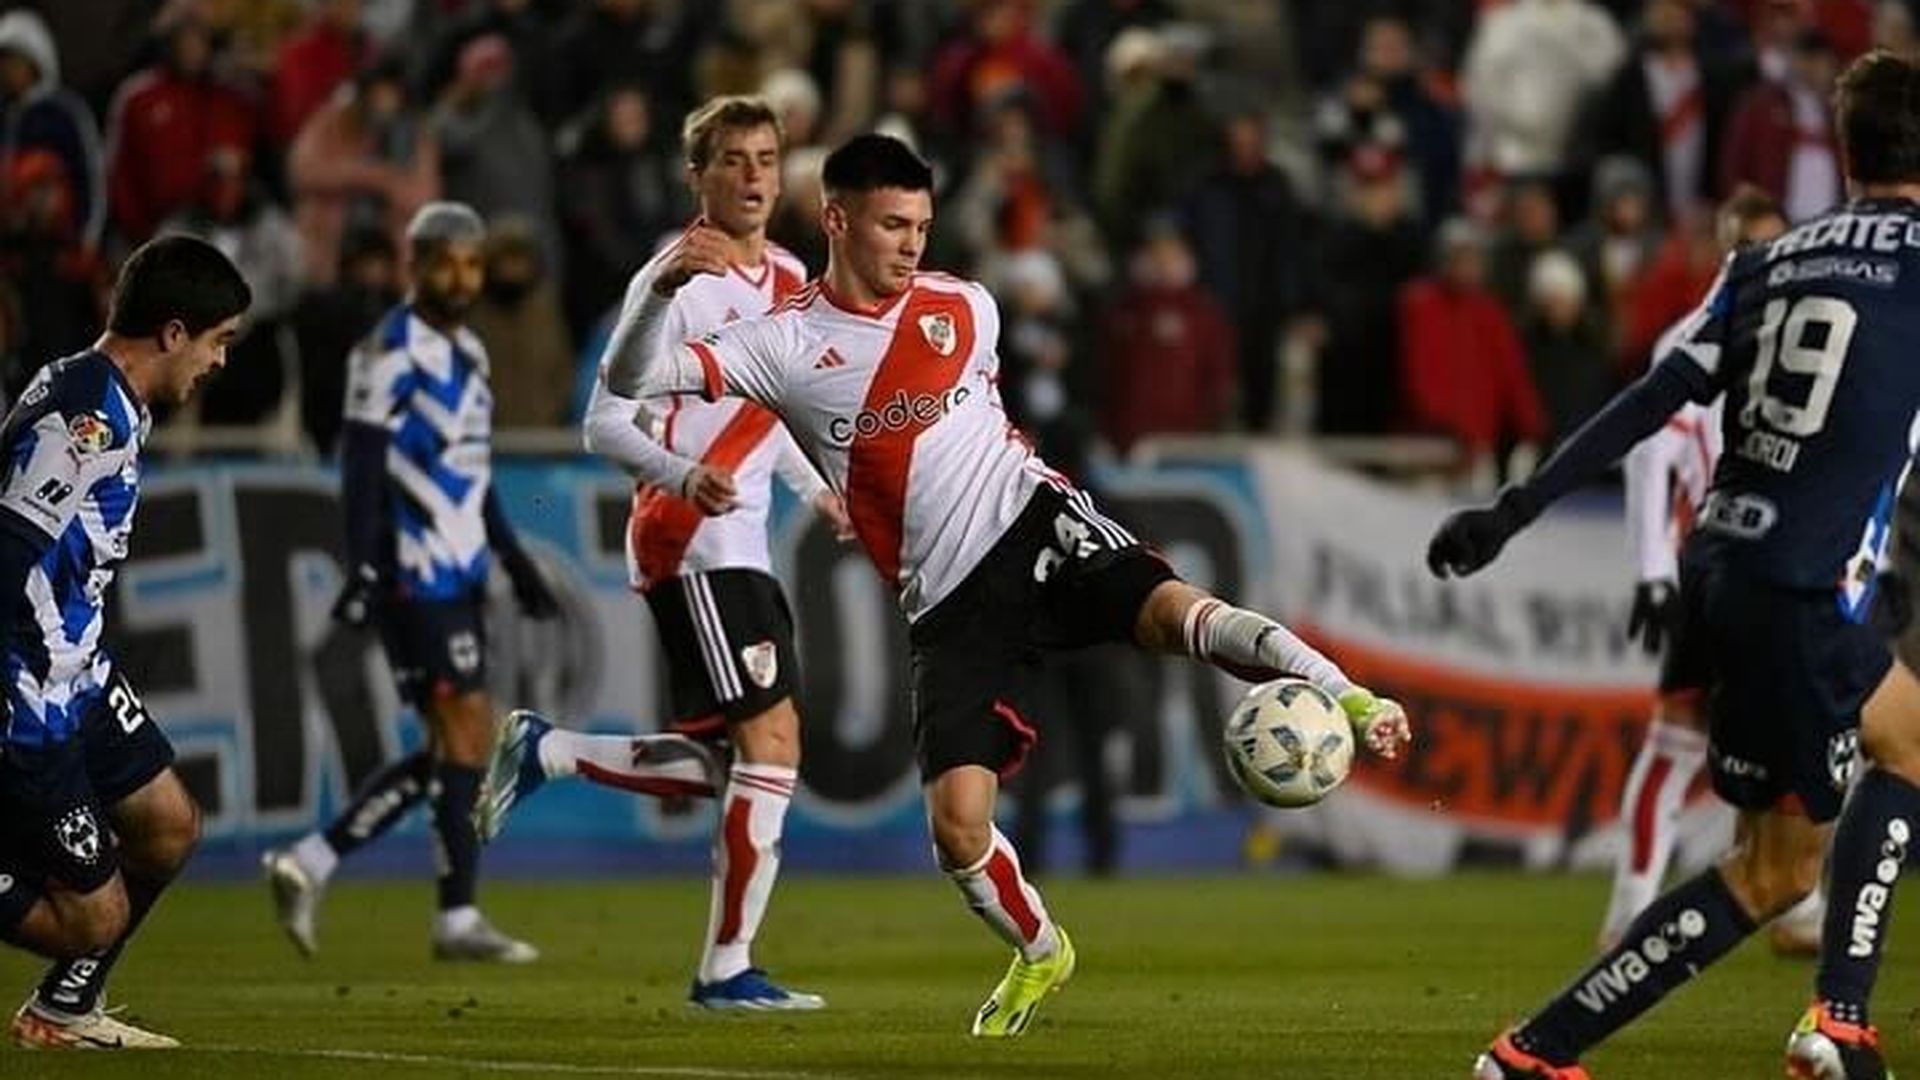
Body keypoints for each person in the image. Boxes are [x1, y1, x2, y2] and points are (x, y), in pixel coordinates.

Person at [602, 132, 1411, 1037]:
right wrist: (659, 286)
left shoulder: (964, 305)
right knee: (956, 829)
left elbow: (983, 427)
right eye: (892, 225)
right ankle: (1041, 951)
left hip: (1032, 527)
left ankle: (1346, 695)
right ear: (836, 219)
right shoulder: (780, 345)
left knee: (1177, 613)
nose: (912, 245)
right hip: (946, 606)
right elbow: (625, 380)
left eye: (922, 225)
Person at [1431, 51, 1920, 1080]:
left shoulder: (1767, 261)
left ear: (1844, 150)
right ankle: (1834, 1022)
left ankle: (1543, 1051)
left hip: (1724, 574)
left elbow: (1650, 400)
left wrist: (1516, 508)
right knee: (1816, 834)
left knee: (1816, 827)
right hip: (1803, 586)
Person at [480, 95, 847, 1011]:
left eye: (767, 157)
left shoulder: (793, 277)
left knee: (739, 763)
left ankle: (550, 749)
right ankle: (726, 969)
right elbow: (603, 420)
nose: (755, 176)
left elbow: (781, 412)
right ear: (700, 176)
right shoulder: (673, 279)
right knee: (775, 744)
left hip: (740, 540)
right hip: (691, 537)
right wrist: (682, 475)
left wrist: (823, 493)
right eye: (734, 160)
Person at [260, 202, 555, 964]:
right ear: (413, 265)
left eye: (470, 262)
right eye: (444, 262)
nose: (460, 277)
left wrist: (514, 562)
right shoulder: (387, 351)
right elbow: (361, 467)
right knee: (465, 735)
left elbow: (473, 475)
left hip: (461, 572)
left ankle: (322, 867)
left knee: (458, 746)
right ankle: (441, 911)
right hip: (412, 574)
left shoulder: (473, 352)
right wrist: (364, 567)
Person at [0, 236, 249, 1048]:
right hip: (27, 690)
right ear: (174, 333)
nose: (217, 362)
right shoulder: (86, 417)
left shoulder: (110, 402)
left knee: (170, 826)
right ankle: (66, 987)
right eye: (217, 341)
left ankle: (63, 1011)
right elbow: (8, 546)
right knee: (89, 919)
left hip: (78, 672)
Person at [1601, 187, 1826, 956]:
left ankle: (1794, 899)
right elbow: (1649, 455)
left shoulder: (1816, 332)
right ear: (1724, 253)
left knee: (1793, 731)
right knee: (1678, 741)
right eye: (1746, 249)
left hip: (1795, 559)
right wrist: (1654, 571)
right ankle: (1631, 907)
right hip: (1716, 566)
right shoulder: (1692, 339)